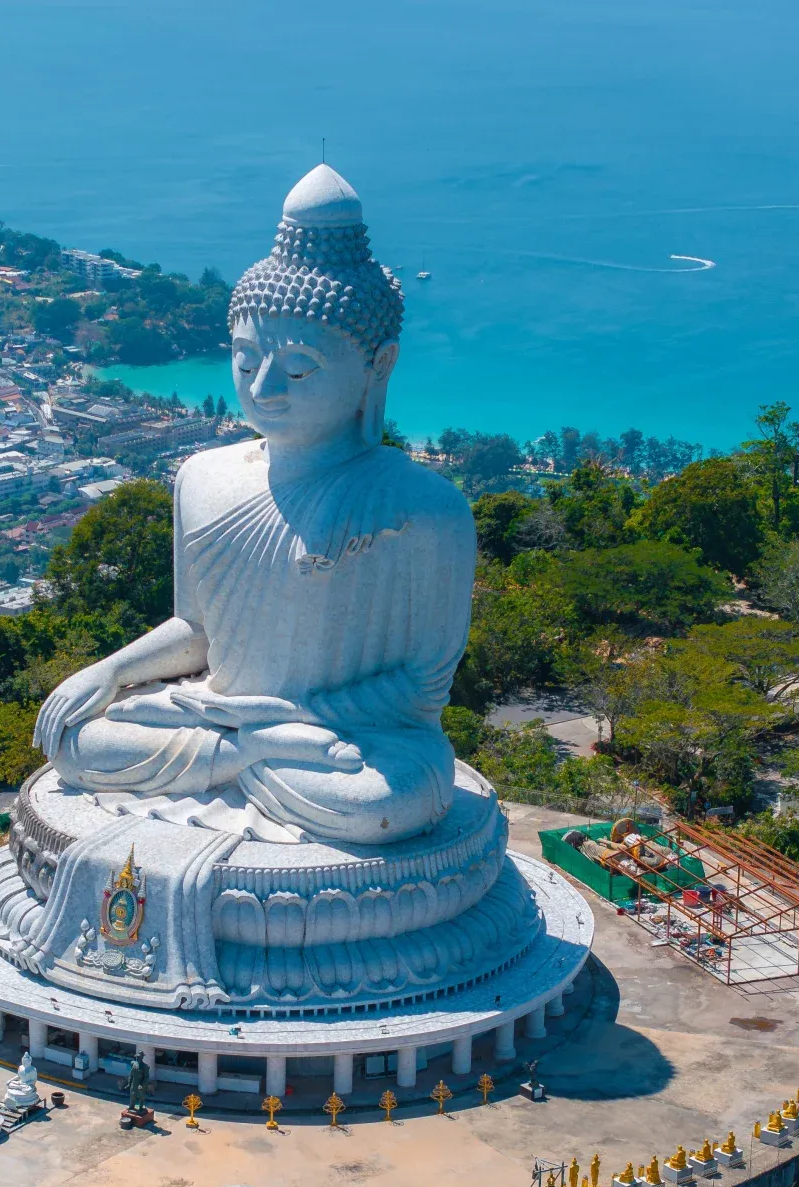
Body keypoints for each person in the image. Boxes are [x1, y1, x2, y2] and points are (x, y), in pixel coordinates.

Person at [36, 165, 474, 847]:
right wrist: (111, 670)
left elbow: (421, 689)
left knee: (374, 803)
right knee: (72, 736)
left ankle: (248, 758)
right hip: (225, 718)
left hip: (346, 741)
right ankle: (245, 760)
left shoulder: (424, 508)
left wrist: (292, 717)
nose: (264, 387)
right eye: (245, 361)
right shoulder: (201, 476)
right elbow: (196, 632)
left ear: (378, 367)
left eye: (299, 369)